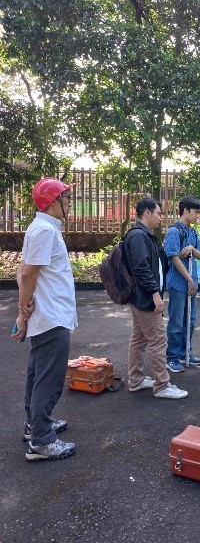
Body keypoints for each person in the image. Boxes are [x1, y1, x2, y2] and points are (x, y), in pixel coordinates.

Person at [12, 177, 77, 461]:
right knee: (48, 380)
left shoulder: (42, 228)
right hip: (52, 317)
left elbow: (23, 271)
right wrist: (22, 309)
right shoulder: (44, 231)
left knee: (37, 375)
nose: (69, 202)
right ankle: (41, 440)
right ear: (53, 203)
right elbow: (26, 274)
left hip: (48, 315)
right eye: (65, 198)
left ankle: (35, 426)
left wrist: (24, 309)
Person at [123, 197, 188, 399]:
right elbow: (141, 268)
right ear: (147, 213)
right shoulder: (138, 237)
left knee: (139, 338)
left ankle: (136, 379)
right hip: (144, 298)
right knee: (159, 339)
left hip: (142, 297)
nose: (161, 217)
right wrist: (154, 294)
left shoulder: (145, 235)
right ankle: (162, 385)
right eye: (159, 213)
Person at [163, 196, 200, 373]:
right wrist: (188, 279)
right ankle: (171, 357)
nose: (198, 216)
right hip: (179, 284)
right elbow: (173, 258)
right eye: (195, 212)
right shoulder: (174, 231)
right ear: (185, 210)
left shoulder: (193, 232)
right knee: (176, 322)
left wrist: (192, 249)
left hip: (191, 283)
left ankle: (185, 352)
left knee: (191, 320)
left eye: (199, 212)